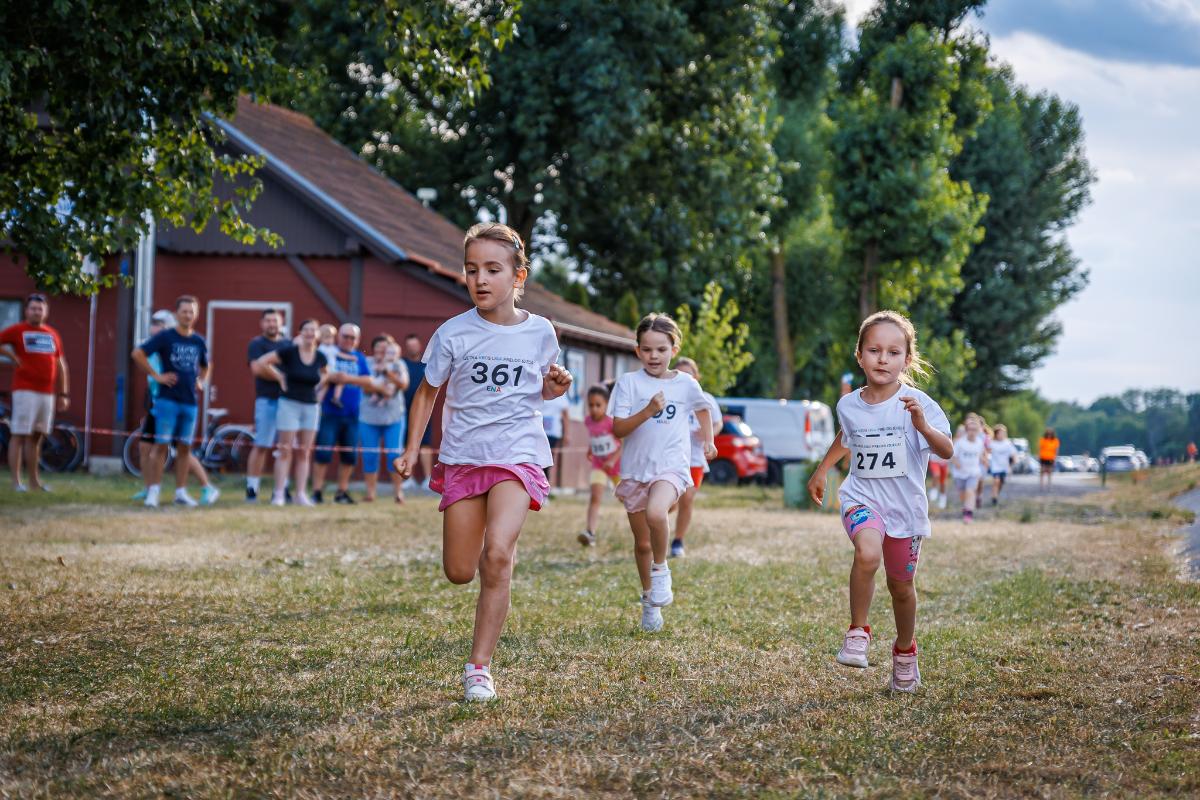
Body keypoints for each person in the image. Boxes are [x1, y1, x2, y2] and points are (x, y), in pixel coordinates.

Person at [393, 221, 571, 702]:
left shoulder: (541, 332)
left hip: (518, 455)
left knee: (496, 557)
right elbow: (427, 392)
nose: (480, 279)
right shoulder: (453, 333)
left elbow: (539, 389)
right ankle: (498, 552)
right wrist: (411, 449)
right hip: (465, 458)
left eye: (493, 269)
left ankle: (479, 668)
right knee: (459, 570)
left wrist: (554, 388)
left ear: (518, 276)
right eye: (472, 270)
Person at [806, 310, 953, 693]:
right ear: (860, 356)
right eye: (874, 350)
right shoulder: (848, 404)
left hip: (905, 510)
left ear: (907, 359)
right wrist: (822, 470)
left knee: (901, 587)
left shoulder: (918, 403)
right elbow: (847, 436)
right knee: (867, 553)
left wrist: (923, 426)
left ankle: (905, 652)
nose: (882, 359)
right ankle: (858, 631)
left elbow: (947, 450)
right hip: (862, 498)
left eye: (893, 352)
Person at [609, 313, 716, 634]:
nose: (654, 356)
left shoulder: (686, 384)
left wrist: (709, 439)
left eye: (661, 349)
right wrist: (647, 411)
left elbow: (703, 408)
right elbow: (618, 429)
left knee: (657, 512)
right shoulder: (629, 383)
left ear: (674, 349)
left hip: (671, 467)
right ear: (637, 351)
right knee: (642, 543)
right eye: (647, 349)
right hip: (635, 471)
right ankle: (649, 600)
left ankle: (662, 568)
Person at [131, 295, 213, 508]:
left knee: (184, 448)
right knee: (161, 446)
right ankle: (153, 492)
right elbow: (138, 354)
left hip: (190, 402)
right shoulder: (166, 337)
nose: (188, 315)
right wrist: (156, 376)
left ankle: (181, 492)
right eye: (184, 311)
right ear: (177, 314)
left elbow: (206, 365)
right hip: (167, 401)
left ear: (196, 315)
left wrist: (201, 381)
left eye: (191, 312)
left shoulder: (199, 340)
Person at [253, 318, 329, 506]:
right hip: (289, 404)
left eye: (313, 330)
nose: (310, 333)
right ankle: (279, 493)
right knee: (285, 450)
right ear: (300, 333)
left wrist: (320, 391)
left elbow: (326, 374)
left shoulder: (321, 356)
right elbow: (262, 362)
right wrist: (279, 377)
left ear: (318, 335)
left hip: (311, 406)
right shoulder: (289, 352)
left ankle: (300, 494)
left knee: (304, 452)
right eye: (306, 330)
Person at [0, 293, 69, 493]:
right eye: (33, 308)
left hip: (47, 393)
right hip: (25, 391)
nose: (36, 312)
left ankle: (34, 482)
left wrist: (63, 393)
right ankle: (16, 483)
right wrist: (11, 356)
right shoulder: (18, 330)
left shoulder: (53, 334)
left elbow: (61, 364)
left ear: (46, 312)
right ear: (26, 310)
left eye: (40, 308)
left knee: (37, 437)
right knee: (19, 434)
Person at [311, 323, 372, 503]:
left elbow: (368, 380)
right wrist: (332, 377)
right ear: (339, 336)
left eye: (353, 337)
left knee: (349, 456)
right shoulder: (328, 352)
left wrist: (347, 378)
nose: (349, 340)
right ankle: (317, 492)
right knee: (323, 454)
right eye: (345, 336)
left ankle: (341, 492)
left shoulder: (359, 357)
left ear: (358, 340)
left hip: (352, 414)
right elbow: (317, 375)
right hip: (328, 412)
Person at [670, 356, 721, 558]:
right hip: (671, 458)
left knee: (687, 498)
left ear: (696, 377)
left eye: (689, 375)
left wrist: (708, 435)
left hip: (695, 459)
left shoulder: (705, 398)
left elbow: (717, 423)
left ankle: (678, 541)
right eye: (680, 374)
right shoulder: (668, 397)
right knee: (670, 502)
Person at [359, 335, 409, 503]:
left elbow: (404, 384)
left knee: (394, 456)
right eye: (378, 347)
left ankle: (398, 493)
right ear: (373, 348)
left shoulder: (398, 363)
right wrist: (382, 389)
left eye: (384, 347)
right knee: (369, 456)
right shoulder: (367, 363)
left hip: (393, 417)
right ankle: (370, 493)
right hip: (368, 417)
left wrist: (387, 374)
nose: (381, 350)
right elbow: (363, 387)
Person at [245, 308, 288, 502]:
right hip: (267, 400)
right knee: (261, 444)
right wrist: (280, 377)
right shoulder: (257, 344)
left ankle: (281, 489)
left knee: (285, 448)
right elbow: (257, 369)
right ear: (262, 323)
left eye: (275, 321)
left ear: (281, 323)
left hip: (289, 403)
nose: (272, 324)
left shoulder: (288, 344)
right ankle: (252, 488)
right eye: (268, 321)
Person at [579, 384, 622, 546]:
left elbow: (623, 444)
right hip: (599, 465)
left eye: (598, 405)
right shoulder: (588, 421)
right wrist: (591, 449)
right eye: (591, 405)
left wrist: (612, 460)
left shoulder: (611, 422)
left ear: (606, 405)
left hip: (617, 467)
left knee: (626, 499)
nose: (594, 409)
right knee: (595, 496)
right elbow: (595, 436)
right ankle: (590, 532)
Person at [401, 333, 436, 490]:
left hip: (424, 410)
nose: (412, 348)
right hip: (404, 410)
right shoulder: (402, 364)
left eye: (414, 345)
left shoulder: (427, 364)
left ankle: (428, 478)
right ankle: (408, 477)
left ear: (420, 346)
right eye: (409, 346)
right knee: (406, 442)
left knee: (425, 443)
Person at [951, 415, 987, 523]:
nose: (972, 432)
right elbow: (953, 456)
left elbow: (980, 455)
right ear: (966, 430)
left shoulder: (980, 442)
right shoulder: (960, 442)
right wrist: (957, 463)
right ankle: (966, 506)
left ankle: (968, 513)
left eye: (974, 430)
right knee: (963, 495)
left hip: (973, 472)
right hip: (960, 473)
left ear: (978, 431)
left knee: (970, 491)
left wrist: (984, 461)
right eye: (970, 429)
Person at [541, 389, 570, 486]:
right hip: (539, 432)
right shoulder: (539, 388)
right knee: (538, 461)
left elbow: (565, 415)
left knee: (547, 461)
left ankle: (544, 485)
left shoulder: (561, 393)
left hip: (553, 433)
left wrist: (566, 434)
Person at [986, 424, 1016, 506]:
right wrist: (986, 461)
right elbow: (987, 452)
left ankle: (995, 495)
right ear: (996, 434)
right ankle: (994, 498)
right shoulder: (992, 443)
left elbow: (1013, 454)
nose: (1002, 435)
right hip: (995, 466)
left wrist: (1013, 463)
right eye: (1000, 433)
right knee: (996, 481)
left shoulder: (1007, 443)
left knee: (1001, 483)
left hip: (1004, 467)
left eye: (1004, 433)